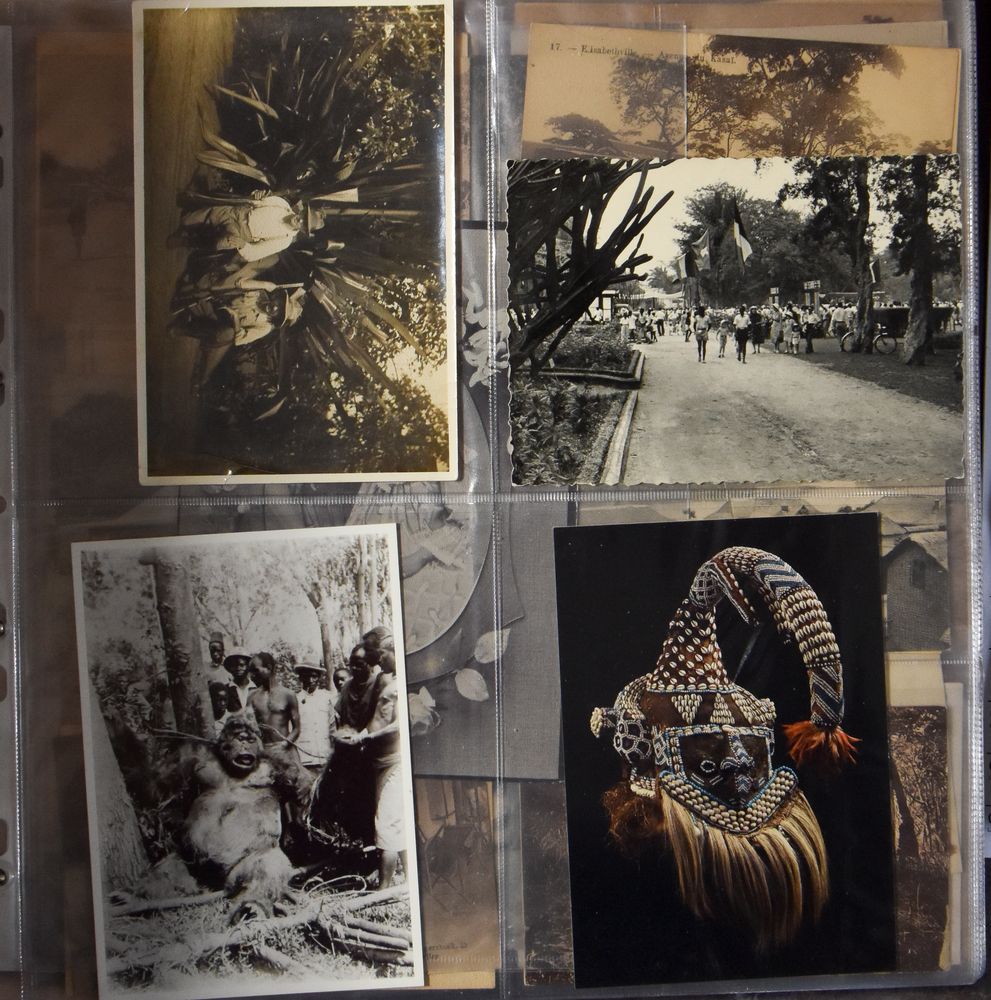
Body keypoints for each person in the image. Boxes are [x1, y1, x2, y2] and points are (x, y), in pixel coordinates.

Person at [333, 643, 406, 889]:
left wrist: (366, 738)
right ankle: (390, 872)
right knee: (369, 813)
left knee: (386, 820)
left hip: (387, 757)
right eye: (352, 664)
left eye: (361, 664)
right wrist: (351, 738)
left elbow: (393, 723)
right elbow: (349, 720)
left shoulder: (383, 682)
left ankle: (385, 884)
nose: (355, 668)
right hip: (363, 756)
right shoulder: (348, 688)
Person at [176, 191, 304, 262]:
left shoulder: (285, 240)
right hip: (237, 212)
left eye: (304, 223)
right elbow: (257, 199)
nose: (300, 219)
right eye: (304, 216)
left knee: (219, 243)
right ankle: (188, 226)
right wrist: (258, 194)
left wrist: (243, 244)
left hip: (240, 233)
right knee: (187, 220)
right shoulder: (283, 205)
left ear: (303, 229)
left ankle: (188, 241)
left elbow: (257, 252)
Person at [247, 652, 301, 760]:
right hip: (263, 751)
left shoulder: (288, 694)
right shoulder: (252, 696)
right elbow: (248, 725)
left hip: (286, 750)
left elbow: (297, 729)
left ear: (269, 668)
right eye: (251, 671)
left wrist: (284, 745)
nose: (252, 675)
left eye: (256, 670)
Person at [293, 661, 335, 774]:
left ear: (319, 678)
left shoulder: (327, 697)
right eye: (306, 676)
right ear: (300, 677)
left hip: (325, 756)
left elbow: (332, 727)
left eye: (314, 676)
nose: (311, 680)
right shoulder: (294, 699)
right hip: (304, 758)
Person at [223, 649, 257, 714]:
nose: (238, 668)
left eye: (242, 665)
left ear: (248, 667)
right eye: (234, 665)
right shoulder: (225, 690)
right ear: (230, 668)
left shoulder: (256, 689)